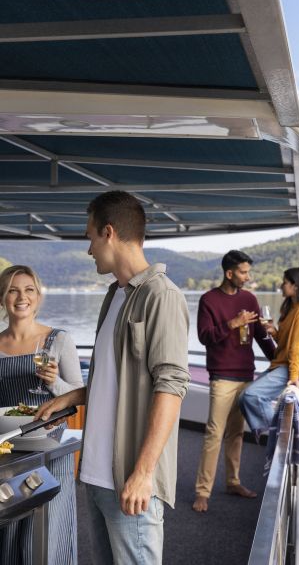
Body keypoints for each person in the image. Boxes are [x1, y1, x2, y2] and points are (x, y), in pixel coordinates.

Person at [35, 190, 190, 565]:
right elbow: (116, 379)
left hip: (129, 479)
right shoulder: (115, 295)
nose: (89, 250)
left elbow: (170, 387)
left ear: (108, 232)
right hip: (97, 475)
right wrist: (72, 397)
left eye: (89, 238)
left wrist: (143, 472)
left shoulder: (161, 296)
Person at [0, 264, 84, 565]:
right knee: (8, 531)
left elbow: (77, 393)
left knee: (48, 534)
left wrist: (53, 382)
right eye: (12, 290)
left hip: (49, 446)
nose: (21, 297)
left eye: (28, 289)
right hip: (8, 451)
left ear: (38, 296)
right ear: (2, 298)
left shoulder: (59, 339)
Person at [192, 250, 275, 513]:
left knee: (237, 434)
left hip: (245, 376)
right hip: (221, 377)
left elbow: (262, 336)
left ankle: (233, 482)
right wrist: (232, 323)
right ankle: (202, 492)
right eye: (243, 272)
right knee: (214, 434)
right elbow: (205, 336)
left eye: (248, 272)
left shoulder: (250, 298)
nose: (248, 277)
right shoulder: (209, 300)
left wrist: (281, 363)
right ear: (229, 273)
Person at [239, 267, 299, 437]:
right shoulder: (293, 308)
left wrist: (293, 377)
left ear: (295, 286)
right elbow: (287, 342)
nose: (282, 285)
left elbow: (297, 346)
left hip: (293, 368)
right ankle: (275, 433)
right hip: (282, 364)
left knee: (251, 396)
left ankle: (282, 435)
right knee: (243, 398)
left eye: (285, 282)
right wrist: (274, 332)